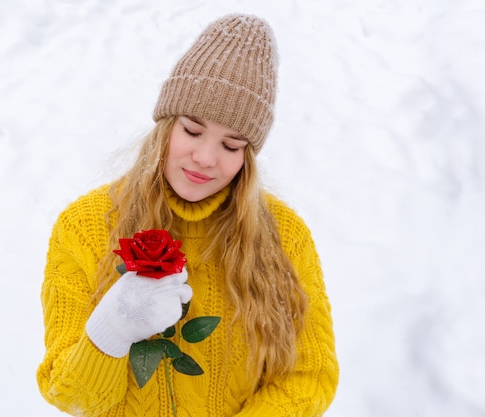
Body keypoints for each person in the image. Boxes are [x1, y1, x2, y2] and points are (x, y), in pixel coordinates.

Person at [37, 14, 339, 416]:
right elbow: (71, 397)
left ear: (248, 157)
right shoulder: (85, 227)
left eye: (231, 146)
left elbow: (310, 377)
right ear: (166, 125)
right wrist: (109, 335)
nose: (205, 158)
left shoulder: (285, 235)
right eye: (192, 131)